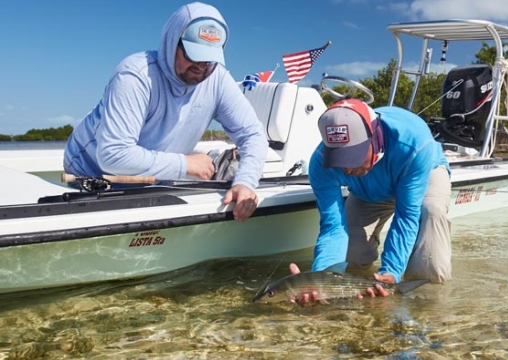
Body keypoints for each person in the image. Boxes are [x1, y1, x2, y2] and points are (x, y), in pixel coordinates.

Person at [63, 2, 268, 222]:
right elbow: (113, 154)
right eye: (193, 55)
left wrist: (245, 182)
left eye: (209, 59)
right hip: (90, 172)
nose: (201, 66)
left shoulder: (218, 80)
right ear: (172, 43)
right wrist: (184, 164)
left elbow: (253, 135)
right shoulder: (136, 76)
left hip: (155, 179)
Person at [290, 99, 452, 302]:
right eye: (338, 159)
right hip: (369, 189)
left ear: (374, 137)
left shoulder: (414, 141)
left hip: (420, 173)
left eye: (352, 156)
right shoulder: (319, 164)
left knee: (432, 216)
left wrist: (392, 271)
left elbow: (405, 216)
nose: (347, 170)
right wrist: (317, 280)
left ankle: (429, 307)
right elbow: (333, 228)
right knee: (353, 255)